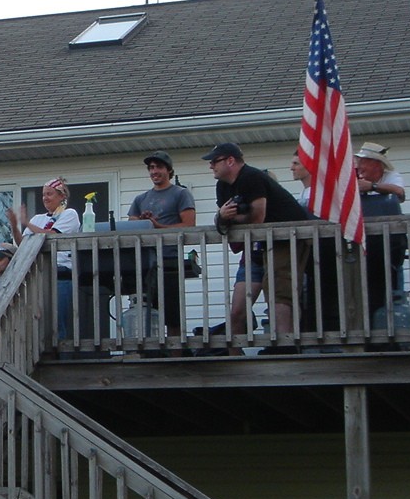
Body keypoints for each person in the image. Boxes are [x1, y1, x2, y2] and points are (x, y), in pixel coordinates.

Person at [205, 142, 311, 350]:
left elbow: (257, 218)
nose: (211, 166)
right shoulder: (223, 186)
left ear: (230, 161)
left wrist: (230, 218)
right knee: (237, 308)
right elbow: (223, 221)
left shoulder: (251, 177)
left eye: (214, 161)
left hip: (285, 239)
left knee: (279, 294)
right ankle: (235, 356)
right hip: (257, 248)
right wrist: (222, 217)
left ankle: (285, 348)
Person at [127, 150, 197, 334]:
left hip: (169, 262)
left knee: (172, 316)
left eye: (158, 167)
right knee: (145, 314)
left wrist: (158, 227)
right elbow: (131, 225)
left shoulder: (181, 194)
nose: (154, 171)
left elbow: (189, 226)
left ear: (169, 170)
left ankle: (176, 351)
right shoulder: (141, 199)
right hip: (144, 263)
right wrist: (143, 221)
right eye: (151, 168)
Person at [6, 177, 80, 339]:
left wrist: (27, 223)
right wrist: (14, 225)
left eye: (49, 194)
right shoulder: (38, 219)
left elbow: (51, 235)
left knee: (57, 321)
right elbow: (23, 244)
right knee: (38, 321)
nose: (45, 198)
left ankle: (60, 352)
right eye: (43, 194)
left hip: (60, 274)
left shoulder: (69, 214)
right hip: (38, 274)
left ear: (61, 196)